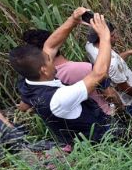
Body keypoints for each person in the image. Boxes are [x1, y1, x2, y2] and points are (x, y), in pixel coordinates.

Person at [9, 8, 114, 145]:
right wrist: (105, 36)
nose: (52, 60)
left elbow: (50, 46)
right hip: (99, 143)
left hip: (75, 139)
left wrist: (73, 20)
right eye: (49, 60)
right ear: (44, 70)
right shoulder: (58, 99)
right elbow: (99, 73)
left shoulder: (27, 82)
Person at [20, 28, 116, 116]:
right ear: (57, 43)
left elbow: (24, 106)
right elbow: (110, 94)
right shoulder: (84, 68)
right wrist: (121, 109)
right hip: (104, 115)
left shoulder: (38, 79)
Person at [85, 22, 132, 138]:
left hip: (123, 90)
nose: (116, 37)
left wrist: (129, 52)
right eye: (113, 35)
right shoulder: (112, 63)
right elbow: (125, 88)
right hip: (129, 98)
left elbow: (114, 64)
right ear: (103, 38)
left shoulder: (90, 46)